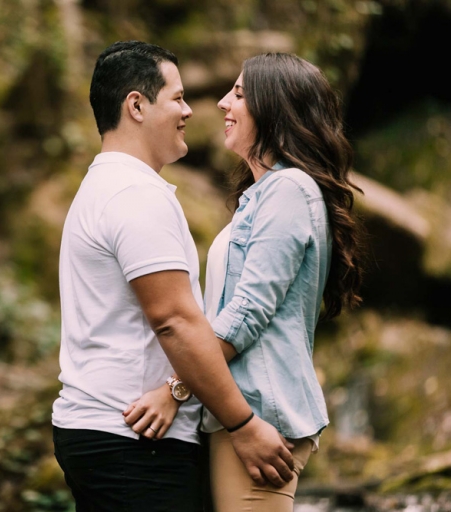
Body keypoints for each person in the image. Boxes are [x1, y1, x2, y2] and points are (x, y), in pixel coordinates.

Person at [51, 41, 296, 512]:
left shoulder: (104, 185)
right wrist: (243, 426)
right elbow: (174, 321)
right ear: (136, 106)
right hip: (134, 438)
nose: (189, 110)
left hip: (112, 431)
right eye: (177, 97)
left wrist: (178, 390)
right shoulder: (134, 194)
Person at [125, 52, 363, 511]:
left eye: (238, 93)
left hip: (261, 413)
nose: (220, 103)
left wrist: (176, 388)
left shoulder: (290, 190)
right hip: (242, 408)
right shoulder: (266, 194)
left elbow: (247, 312)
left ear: (274, 107)